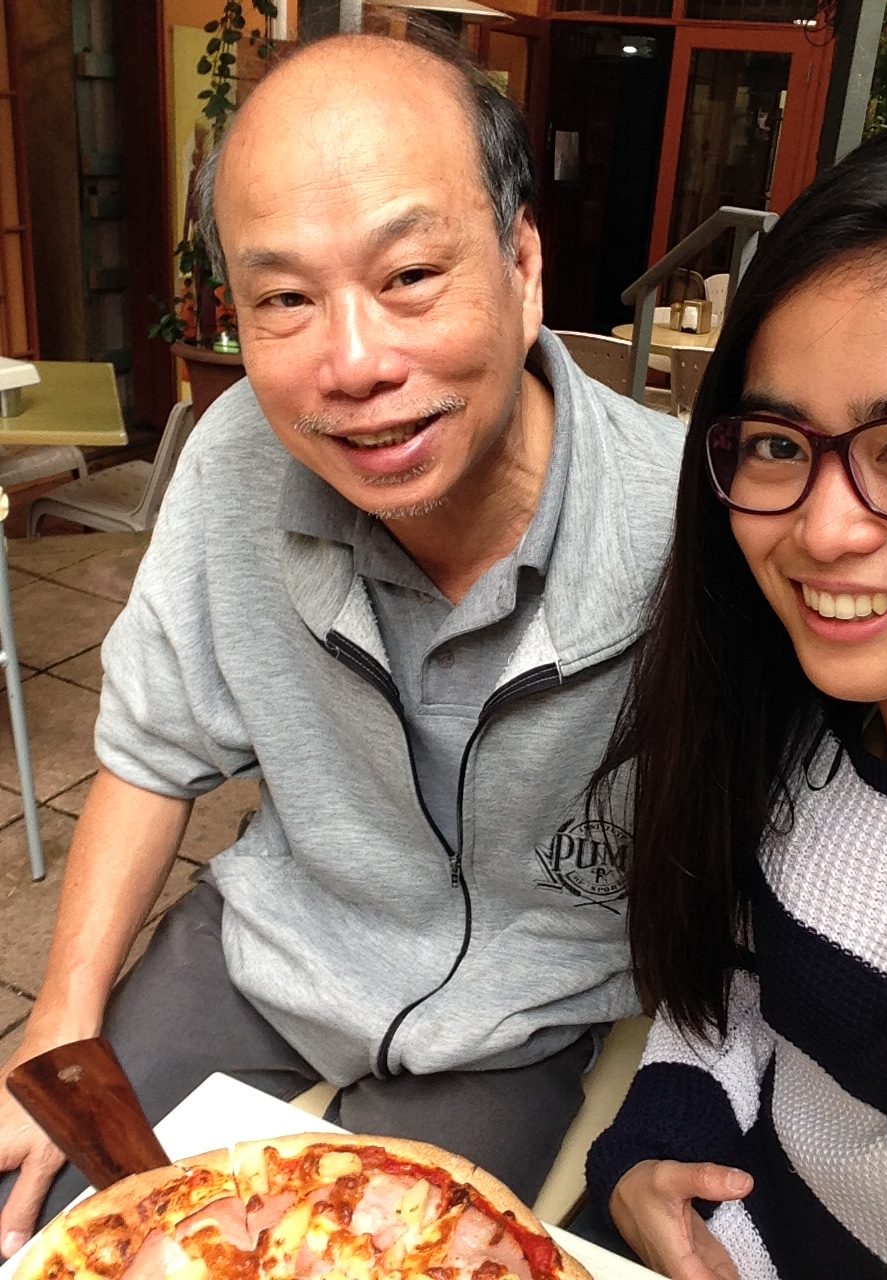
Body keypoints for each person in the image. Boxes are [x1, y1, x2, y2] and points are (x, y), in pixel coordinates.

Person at [0, 29, 684, 1257]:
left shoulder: (694, 526)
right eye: (285, 299)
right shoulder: (234, 460)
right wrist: (60, 1015)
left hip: (520, 1018)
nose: (355, 365)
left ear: (523, 264)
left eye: (411, 273)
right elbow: (151, 751)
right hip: (271, 940)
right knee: (53, 1222)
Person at [583, 120, 887, 1280]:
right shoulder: (804, 728)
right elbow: (739, 989)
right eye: (777, 441)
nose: (823, 528)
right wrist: (656, 1148)